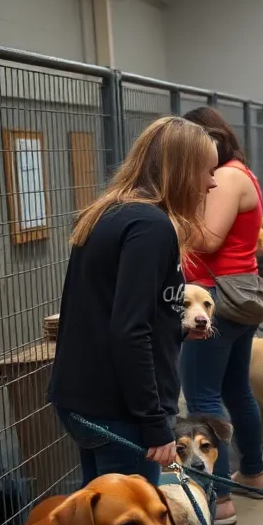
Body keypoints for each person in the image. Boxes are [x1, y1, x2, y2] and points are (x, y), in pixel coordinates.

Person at [49, 117, 218, 485]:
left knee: (100, 522)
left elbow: (114, 309)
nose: (212, 182)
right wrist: (154, 422)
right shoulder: (150, 227)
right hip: (120, 409)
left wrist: (173, 329)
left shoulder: (111, 213)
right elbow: (129, 330)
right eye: (207, 171)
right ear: (184, 171)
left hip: (87, 401)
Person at [177, 106, 263, 525]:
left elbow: (208, 239)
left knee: (202, 398)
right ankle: (252, 471)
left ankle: (222, 500)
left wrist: (169, 216)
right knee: (235, 389)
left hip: (215, 297)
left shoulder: (228, 176)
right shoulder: (239, 172)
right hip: (238, 293)